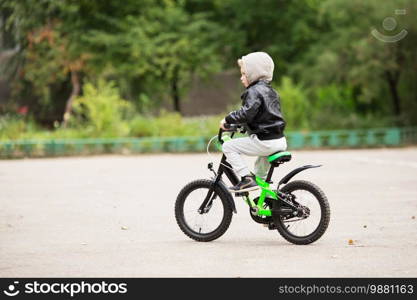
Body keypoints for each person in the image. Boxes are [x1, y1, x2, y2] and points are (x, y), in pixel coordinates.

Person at [220, 51, 287, 193]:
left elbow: (246, 113)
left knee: (228, 147)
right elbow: (261, 116)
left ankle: (246, 179)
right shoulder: (271, 91)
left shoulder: (254, 91)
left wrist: (228, 119)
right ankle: (268, 199)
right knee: (260, 177)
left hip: (265, 142)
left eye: (244, 74)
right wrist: (242, 125)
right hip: (279, 140)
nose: (241, 78)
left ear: (254, 74)